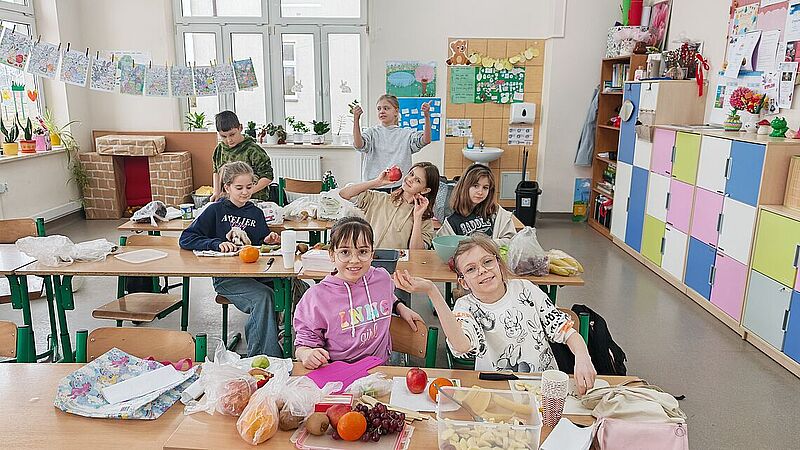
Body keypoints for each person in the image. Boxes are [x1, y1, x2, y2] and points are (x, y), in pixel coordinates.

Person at [393, 234, 598, 395]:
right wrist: (432, 291)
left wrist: (582, 356)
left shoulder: (526, 289)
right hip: (496, 391)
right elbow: (462, 345)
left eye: (487, 262)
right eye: (471, 269)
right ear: (464, 282)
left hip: (543, 387)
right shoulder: (466, 306)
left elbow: (566, 331)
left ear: (499, 264)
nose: (482, 270)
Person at [179, 161, 282, 357]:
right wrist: (216, 243)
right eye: (239, 188)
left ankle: (289, 343)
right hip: (227, 278)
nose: (245, 192)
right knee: (263, 297)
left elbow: (259, 242)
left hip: (255, 274)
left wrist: (268, 239)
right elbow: (186, 238)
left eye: (249, 187)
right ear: (227, 187)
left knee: (292, 287)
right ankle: (263, 357)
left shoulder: (256, 213)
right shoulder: (215, 210)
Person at [293, 216, 425, 369]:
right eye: (345, 252)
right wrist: (306, 353)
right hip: (338, 372)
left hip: (380, 369)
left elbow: (386, 294)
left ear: (372, 254)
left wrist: (399, 306)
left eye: (363, 251)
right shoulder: (316, 298)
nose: (354, 260)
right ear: (332, 255)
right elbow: (303, 344)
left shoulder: (382, 278)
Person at [339, 162, 439, 250]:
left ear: (425, 190)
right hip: (368, 261)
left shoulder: (424, 219)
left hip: (397, 264)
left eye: (417, 180)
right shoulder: (380, 199)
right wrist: (376, 182)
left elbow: (417, 252)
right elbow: (344, 193)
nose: (410, 179)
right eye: (411, 174)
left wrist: (417, 218)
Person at [353, 94, 432, 192]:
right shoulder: (371, 132)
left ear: (396, 111)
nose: (382, 111)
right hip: (373, 186)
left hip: (398, 187)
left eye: (386, 108)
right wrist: (356, 120)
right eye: (379, 109)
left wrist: (427, 116)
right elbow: (359, 145)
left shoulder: (406, 134)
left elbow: (426, 140)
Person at [437, 164, 517, 247]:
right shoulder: (452, 220)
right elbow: (443, 246)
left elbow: (512, 241)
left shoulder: (496, 212)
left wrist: (486, 245)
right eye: (475, 186)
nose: (480, 192)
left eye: (485, 187)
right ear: (464, 187)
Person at [210, 110, 273, 202]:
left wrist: (247, 192)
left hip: (252, 200)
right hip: (229, 200)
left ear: (240, 128)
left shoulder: (253, 150)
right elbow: (216, 172)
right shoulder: (219, 149)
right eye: (223, 136)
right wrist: (216, 192)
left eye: (232, 134)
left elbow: (267, 177)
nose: (229, 140)